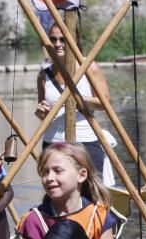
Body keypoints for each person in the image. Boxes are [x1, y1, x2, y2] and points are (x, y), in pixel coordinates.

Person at [35, 23, 118, 187]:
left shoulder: (89, 67)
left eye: (63, 39)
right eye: (53, 39)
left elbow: (105, 102)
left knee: (92, 191)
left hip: (84, 140)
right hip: (53, 142)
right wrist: (40, 112)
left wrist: (75, 97)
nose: (58, 44)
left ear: (74, 40)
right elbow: (43, 113)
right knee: (56, 191)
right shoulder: (44, 75)